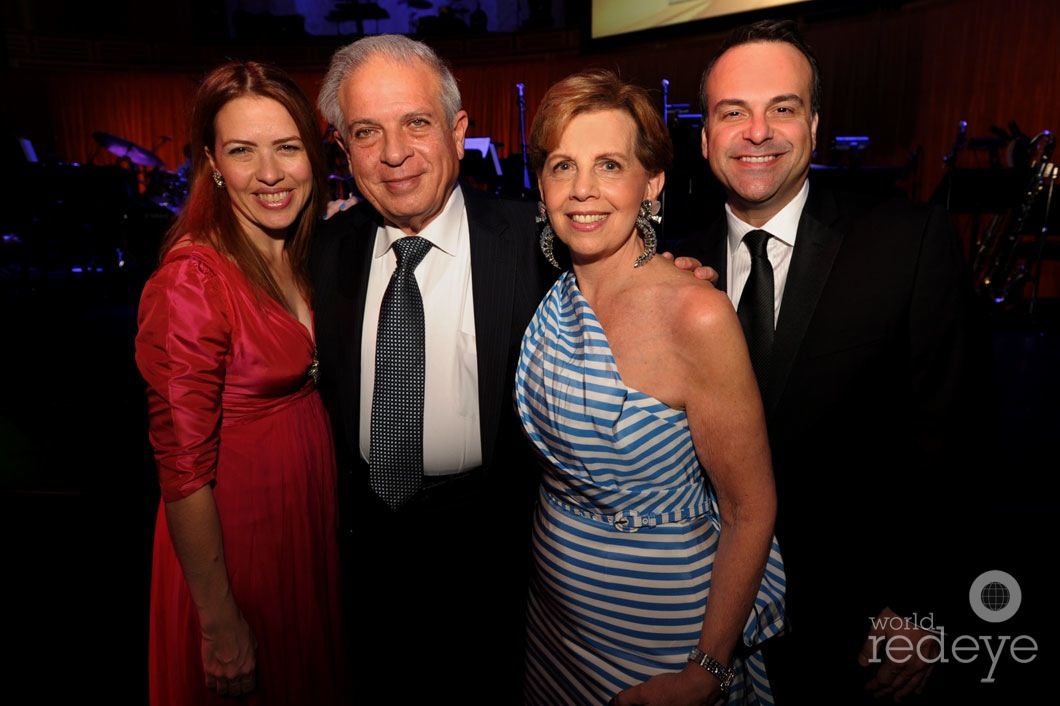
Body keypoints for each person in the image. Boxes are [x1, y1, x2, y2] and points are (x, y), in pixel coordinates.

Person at [682, 19, 997, 703]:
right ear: (705, 136)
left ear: (815, 126)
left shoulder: (907, 244)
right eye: (733, 112)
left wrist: (922, 607)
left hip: (859, 630)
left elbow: (959, 442)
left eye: (782, 109)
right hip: (698, 620)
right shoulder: (673, 266)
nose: (757, 132)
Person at [516, 68, 787, 706]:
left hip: (659, 635)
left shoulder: (696, 314)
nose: (581, 191)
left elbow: (750, 509)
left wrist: (706, 672)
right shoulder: (554, 292)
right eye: (562, 166)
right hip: (553, 619)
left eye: (609, 165)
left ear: (653, 183)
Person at [311, 34, 555, 702]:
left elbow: (636, 273)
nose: (393, 154)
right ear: (343, 148)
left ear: (457, 129)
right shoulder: (320, 252)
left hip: (497, 556)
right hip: (362, 554)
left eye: (416, 123)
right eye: (367, 131)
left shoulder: (539, 245)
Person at [134, 60, 350, 705]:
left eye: (287, 148)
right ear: (212, 163)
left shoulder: (306, 253)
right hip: (235, 550)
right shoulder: (192, 282)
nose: (270, 174)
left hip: (303, 531)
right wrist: (220, 620)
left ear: (312, 155)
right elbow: (184, 471)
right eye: (242, 151)